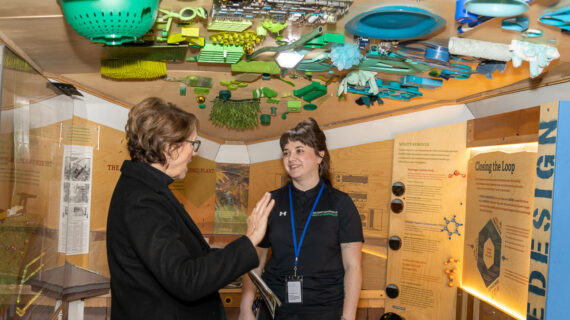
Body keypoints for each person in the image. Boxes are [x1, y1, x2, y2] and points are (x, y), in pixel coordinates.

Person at [106, 97, 275, 320]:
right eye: (192, 144)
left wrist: (235, 256)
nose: (194, 153)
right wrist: (250, 239)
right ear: (169, 148)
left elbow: (188, 258)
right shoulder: (142, 201)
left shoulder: (146, 188)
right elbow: (186, 280)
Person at [239, 118, 364, 320]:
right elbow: (254, 261)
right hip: (275, 310)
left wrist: (348, 317)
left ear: (319, 155)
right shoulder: (271, 201)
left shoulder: (341, 204)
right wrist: (245, 308)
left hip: (324, 310)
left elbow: (353, 267)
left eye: (299, 150)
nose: (291, 158)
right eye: (286, 153)